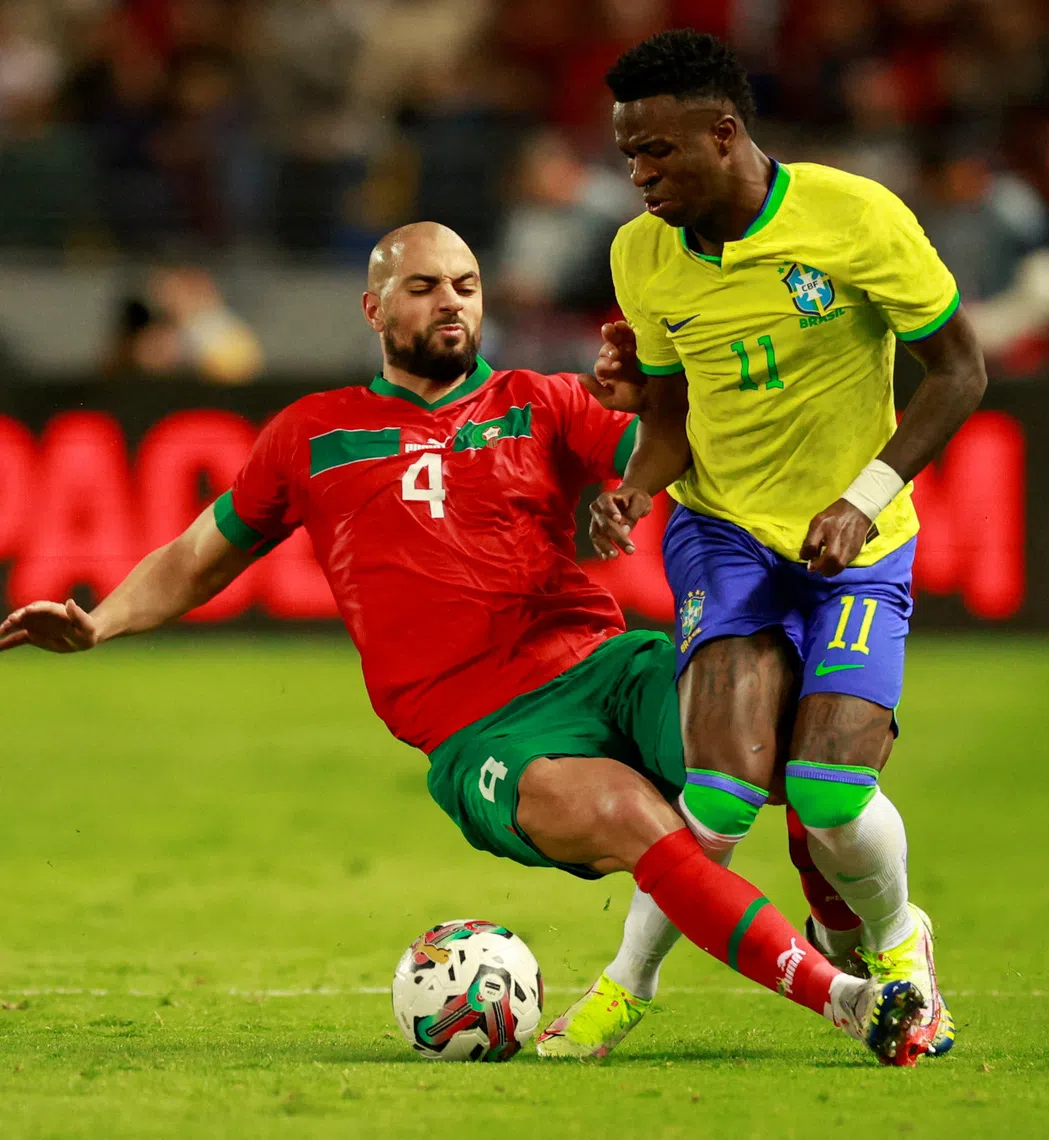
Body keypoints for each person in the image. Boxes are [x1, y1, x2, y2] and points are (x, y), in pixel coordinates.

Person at [0, 222, 931, 1067]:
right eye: (424, 286)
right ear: (373, 307)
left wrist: (643, 439)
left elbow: (676, 452)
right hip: (485, 729)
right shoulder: (310, 435)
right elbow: (199, 555)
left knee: (780, 740)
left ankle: (866, 929)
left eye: (468, 283)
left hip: (603, 665)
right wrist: (99, 621)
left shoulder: (545, 400)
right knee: (623, 815)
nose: (452, 300)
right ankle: (844, 998)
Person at [579, 30, 990, 1060]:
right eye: (629, 155)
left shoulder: (853, 217)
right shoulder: (642, 255)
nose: (639, 177)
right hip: (724, 535)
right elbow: (668, 420)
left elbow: (960, 371)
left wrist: (864, 496)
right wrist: (630, 494)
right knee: (716, 797)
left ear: (724, 136)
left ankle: (899, 946)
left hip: (859, 541)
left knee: (829, 799)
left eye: (658, 153)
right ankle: (624, 987)